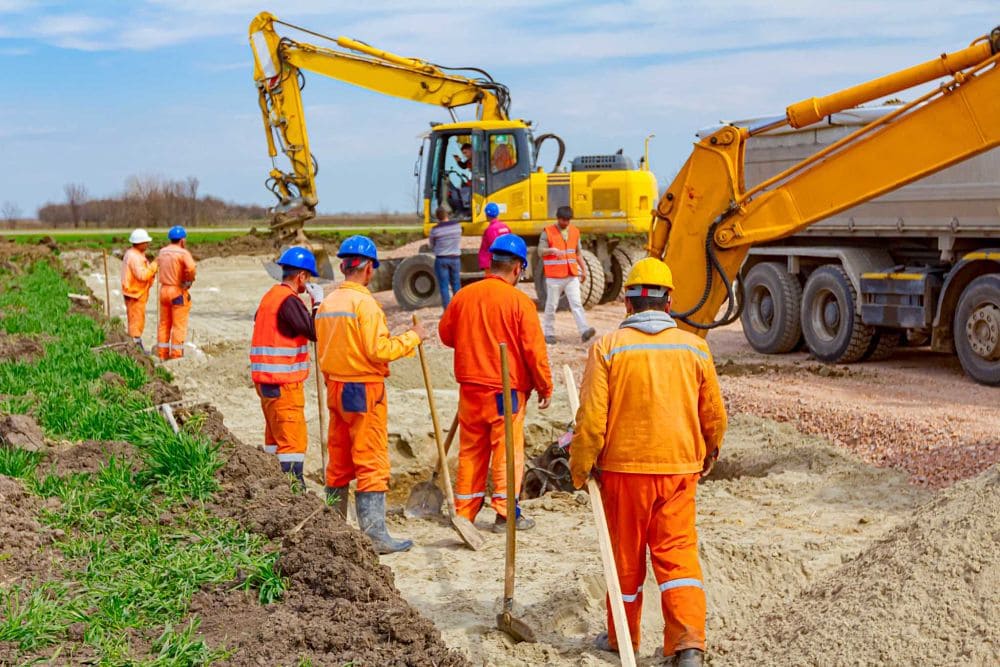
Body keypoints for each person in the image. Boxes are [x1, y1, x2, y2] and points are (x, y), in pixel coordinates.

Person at [569, 258, 727, 666]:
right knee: (678, 556)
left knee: (625, 558)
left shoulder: (608, 349)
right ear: (669, 301)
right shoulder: (695, 348)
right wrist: (709, 451)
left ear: (626, 303)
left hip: (624, 472)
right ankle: (688, 643)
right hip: (679, 469)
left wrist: (580, 467)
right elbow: (714, 414)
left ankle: (623, 637)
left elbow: (590, 421)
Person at [316, 235, 426, 554]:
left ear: (343, 266)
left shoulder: (327, 303)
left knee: (338, 460)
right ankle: (374, 534)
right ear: (368, 270)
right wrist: (412, 338)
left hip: (335, 388)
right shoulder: (364, 304)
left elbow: (325, 349)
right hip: (363, 389)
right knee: (371, 459)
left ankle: (332, 529)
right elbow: (379, 350)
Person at [439, 233, 553, 533]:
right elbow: (534, 351)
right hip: (505, 391)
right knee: (506, 452)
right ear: (517, 268)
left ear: (492, 263)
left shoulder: (464, 296)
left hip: (470, 389)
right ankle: (505, 514)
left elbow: (446, 335)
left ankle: (464, 514)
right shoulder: (519, 302)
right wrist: (545, 386)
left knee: (472, 451)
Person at [250, 246, 325, 489]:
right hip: (283, 383)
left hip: (266, 381)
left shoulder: (269, 297)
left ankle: (274, 488)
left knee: (274, 439)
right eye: (308, 278)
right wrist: (317, 304)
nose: (308, 283)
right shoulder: (289, 301)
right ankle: (293, 490)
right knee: (292, 442)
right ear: (301, 276)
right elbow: (314, 332)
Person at [539, 205, 596, 344]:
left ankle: (584, 331)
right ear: (558, 219)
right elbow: (540, 251)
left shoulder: (575, 232)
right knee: (552, 305)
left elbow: (577, 254)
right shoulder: (547, 232)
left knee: (576, 304)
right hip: (554, 277)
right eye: (563, 220)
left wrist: (584, 270)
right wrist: (552, 250)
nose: (565, 223)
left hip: (571, 275)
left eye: (568, 220)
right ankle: (549, 333)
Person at [156, 226, 196, 360]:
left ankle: (162, 353)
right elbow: (191, 268)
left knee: (164, 324)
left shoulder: (162, 252)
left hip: (163, 290)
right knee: (179, 325)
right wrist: (188, 280)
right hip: (177, 291)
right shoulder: (183, 253)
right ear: (182, 240)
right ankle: (176, 355)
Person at [121, 228, 158, 352]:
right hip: (134, 294)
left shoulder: (134, 254)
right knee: (136, 322)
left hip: (136, 293)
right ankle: (135, 347)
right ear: (139, 243)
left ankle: (136, 344)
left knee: (137, 320)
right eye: (146, 242)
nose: (147, 244)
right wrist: (154, 266)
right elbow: (142, 275)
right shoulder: (134, 257)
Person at [428, 206, 463, 309]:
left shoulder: (435, 230)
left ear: (437, 217)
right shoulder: (457, 226)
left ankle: (447, 311)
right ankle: (459, 309)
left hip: (441, 259)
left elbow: (431, 245)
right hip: (455, 258)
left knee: (444, 286)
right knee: (456, 284)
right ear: (447, 214)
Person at [477, 202, 510, 271]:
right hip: (504, 260)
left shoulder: (490, 229)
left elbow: (493, 247)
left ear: (487, 214)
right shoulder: (505, 227)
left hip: (492, 263)